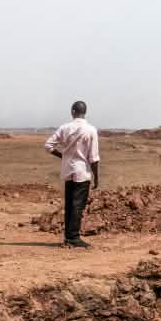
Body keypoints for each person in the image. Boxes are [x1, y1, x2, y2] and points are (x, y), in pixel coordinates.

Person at [45, 101, 101, 248]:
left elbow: (48, 145)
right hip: (82, 172)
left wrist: (62, 156)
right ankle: (73, 237)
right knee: (78, 205)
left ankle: (69, 236)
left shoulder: (64, 128)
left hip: (68, 170)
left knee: (70, 204)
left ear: (73, 112)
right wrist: (96, 177)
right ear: (85, 112)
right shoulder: (91, 130)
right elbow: (93, 158)